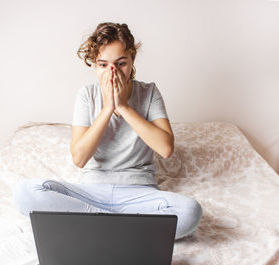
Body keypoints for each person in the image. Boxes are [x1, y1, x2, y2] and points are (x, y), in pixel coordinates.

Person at [12, 22, 202, 240]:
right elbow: (80, 158)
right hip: (92, 193)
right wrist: (108, 108)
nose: (112, 72)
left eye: (120, 63)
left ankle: (96, 227)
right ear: (95, 65)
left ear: (132, 59)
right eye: (103, 65)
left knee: (190, 211)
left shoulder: (149, 92)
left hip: (140, 194)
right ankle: (119, 228)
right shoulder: (87, 95)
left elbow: (166, 148)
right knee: (25, 192)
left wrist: (123, 106)